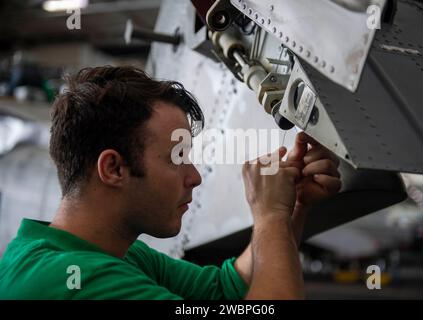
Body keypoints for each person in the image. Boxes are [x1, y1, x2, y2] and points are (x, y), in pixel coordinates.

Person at [0, 66, 341, 299]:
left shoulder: (121, 255)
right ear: (114, 168)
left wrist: (291, 205)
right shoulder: (74, 279)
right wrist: (270, 216)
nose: (193, 177)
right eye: (177, 158)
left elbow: (226, 290)